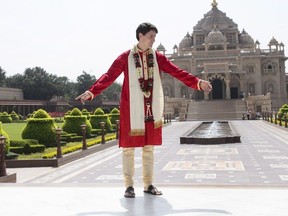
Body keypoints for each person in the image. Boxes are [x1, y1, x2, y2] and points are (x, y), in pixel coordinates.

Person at [75, 22, 212, 198]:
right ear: (140, 35)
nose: (153, 40)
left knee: (149, 148)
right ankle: (129, 186)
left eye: (154, 37)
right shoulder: (125, 57)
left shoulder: (157, 57)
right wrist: (92, 91)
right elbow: (109, 76)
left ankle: (148, 185)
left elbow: (176, 71)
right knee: (129, 149)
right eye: (150, 36)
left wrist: (198, 83)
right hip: (131, 109)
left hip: (151, 108)